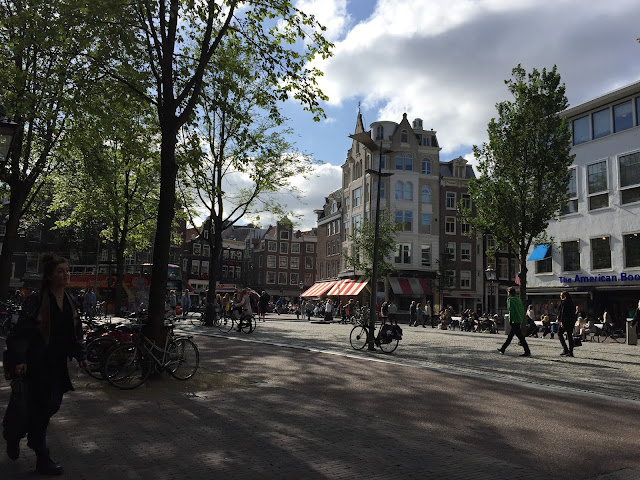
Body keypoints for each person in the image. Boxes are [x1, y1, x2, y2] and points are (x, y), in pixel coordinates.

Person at [3, 253, 87, 475]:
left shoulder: (70, 300)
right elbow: (21, 333)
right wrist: (20, 359)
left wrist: (81, 355)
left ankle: (16, 434)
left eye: (67, 270)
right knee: (39, 408)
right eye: (61, 271)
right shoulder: (36, 300)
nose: (66, 274)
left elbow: (76, 332)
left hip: (58, 364)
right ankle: (41, 454)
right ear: (49, 276)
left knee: (51, 405)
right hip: (36, 364)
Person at [496, 287, 531, 357]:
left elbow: (511, 310)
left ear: (509, 293)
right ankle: (503, 349)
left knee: (518, 337)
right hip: (518, 319)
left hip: (514, 320)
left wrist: (510, 319)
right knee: (513, 336)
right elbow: (522, 309)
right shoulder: (518, 299)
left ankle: (527, 351)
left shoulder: (510, 300)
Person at [557, 291, 576, 357]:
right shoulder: (571, 303)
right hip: (571, 322)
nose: (560, 297)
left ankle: (565, 349)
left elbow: (563, 312)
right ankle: (570, 352)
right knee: (569, 336)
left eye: (561, 296)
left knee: (559, 333)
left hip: (565, 321)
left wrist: (561, 321)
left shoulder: (564, 303)